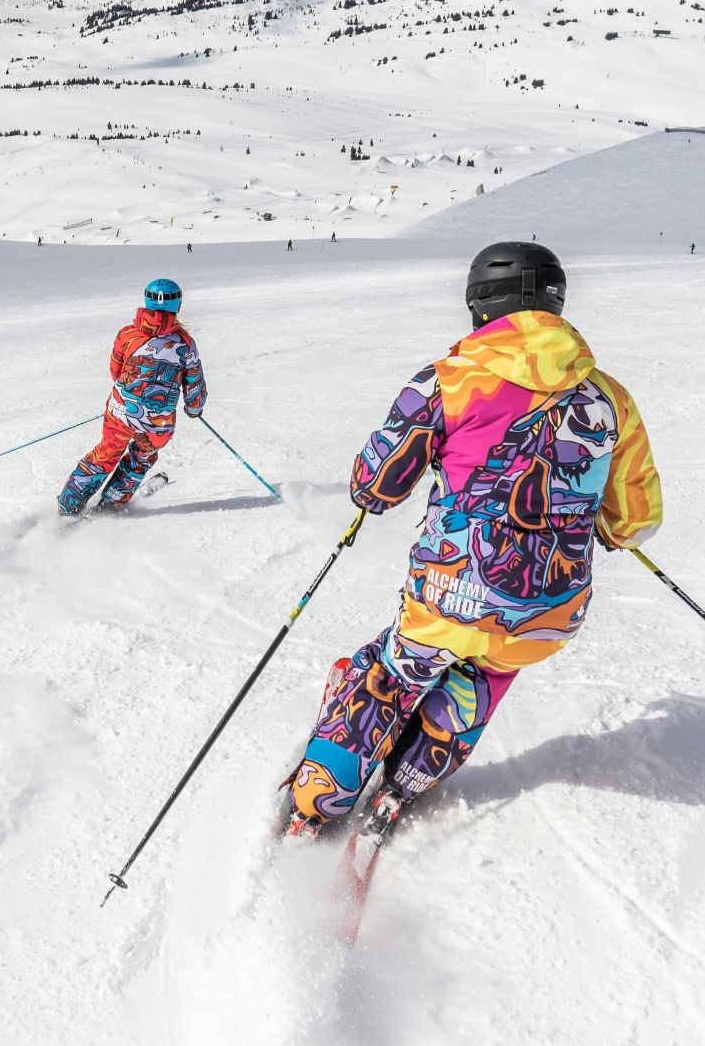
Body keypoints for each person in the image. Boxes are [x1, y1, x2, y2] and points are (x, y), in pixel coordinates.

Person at [280, 242, 662, 840]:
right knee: (483, 676)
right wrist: (603, 523)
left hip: (450, 591)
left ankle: (318, 799)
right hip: (550, 608)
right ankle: (407, 781)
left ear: (481, 304)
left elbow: (377, 484)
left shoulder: (449, 380)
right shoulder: (609, 396)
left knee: (394, 672)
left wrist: (372, 493)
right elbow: (634, 519)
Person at [57, 279, 208, 515]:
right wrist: (194, 408)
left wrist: (129, 399)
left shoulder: (127, 334)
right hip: (157, 422)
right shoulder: (185, 343)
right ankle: (112, 502)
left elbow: (116, 370)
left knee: (108, 450)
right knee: (142, 456)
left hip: (120, 411)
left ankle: (70, 501)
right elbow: (194, 382)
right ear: (178, 305)